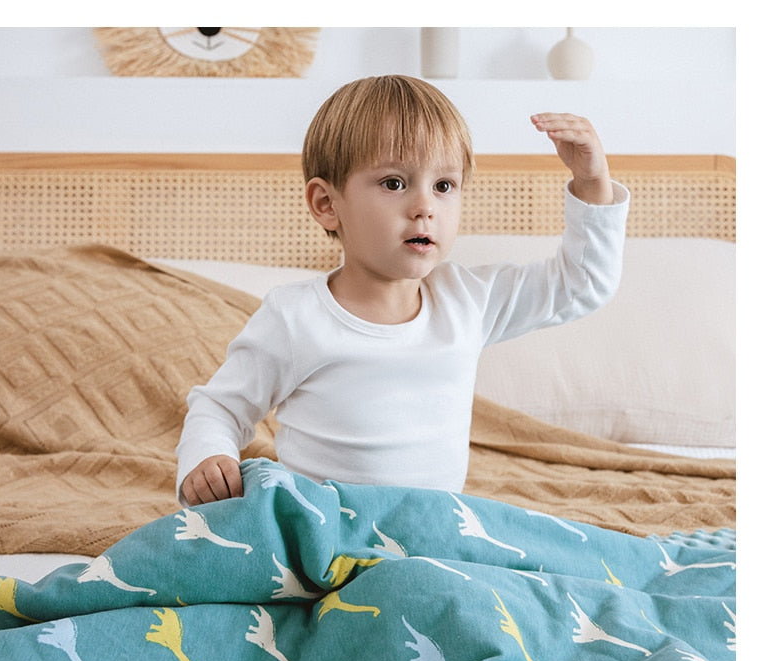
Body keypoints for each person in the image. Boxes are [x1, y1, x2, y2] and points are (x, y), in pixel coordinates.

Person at [176, 74, 629, 506]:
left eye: (444, 185)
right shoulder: (295, 316)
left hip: (427, 534)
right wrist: (208, 458)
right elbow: (220, 407)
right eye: (394, 183)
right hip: (321, 530)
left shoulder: (468, 301)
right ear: (327, 203)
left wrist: (592, 184)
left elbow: (582, 284)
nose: (425, 207)